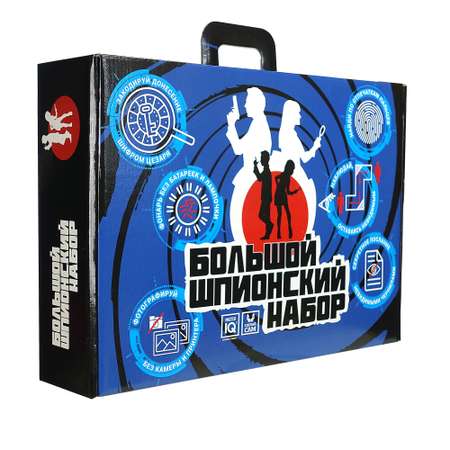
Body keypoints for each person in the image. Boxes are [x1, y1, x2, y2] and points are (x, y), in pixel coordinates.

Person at [226, 87, 272, 183]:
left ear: (256, 104)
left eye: (247, 102)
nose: (245, 105)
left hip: (252, 178)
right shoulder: (259, 122)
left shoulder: (258, 125)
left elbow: (238, 149)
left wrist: (231, 124)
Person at [274, 160, 299, 239]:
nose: (292, 171)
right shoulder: (286, 176)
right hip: (279, 195)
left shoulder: (285, 176)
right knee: (282, 214)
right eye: (292, 169)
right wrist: (295, 192)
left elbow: (276, 178)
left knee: (283, 214)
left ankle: (284, 232)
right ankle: (282, 232)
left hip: (281, 194)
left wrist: (278, 185)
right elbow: (288, 191)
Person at [253, 151, 273, 239]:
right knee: (265, 215)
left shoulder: (267, 171)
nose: (261, 160)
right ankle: (267, 234)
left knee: (262, 215)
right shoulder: (266, 170)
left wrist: (255, 167)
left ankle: (270, 225)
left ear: (265, 159)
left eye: (262, 158)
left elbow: (259, 178)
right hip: (266, 197)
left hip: (266, 198)